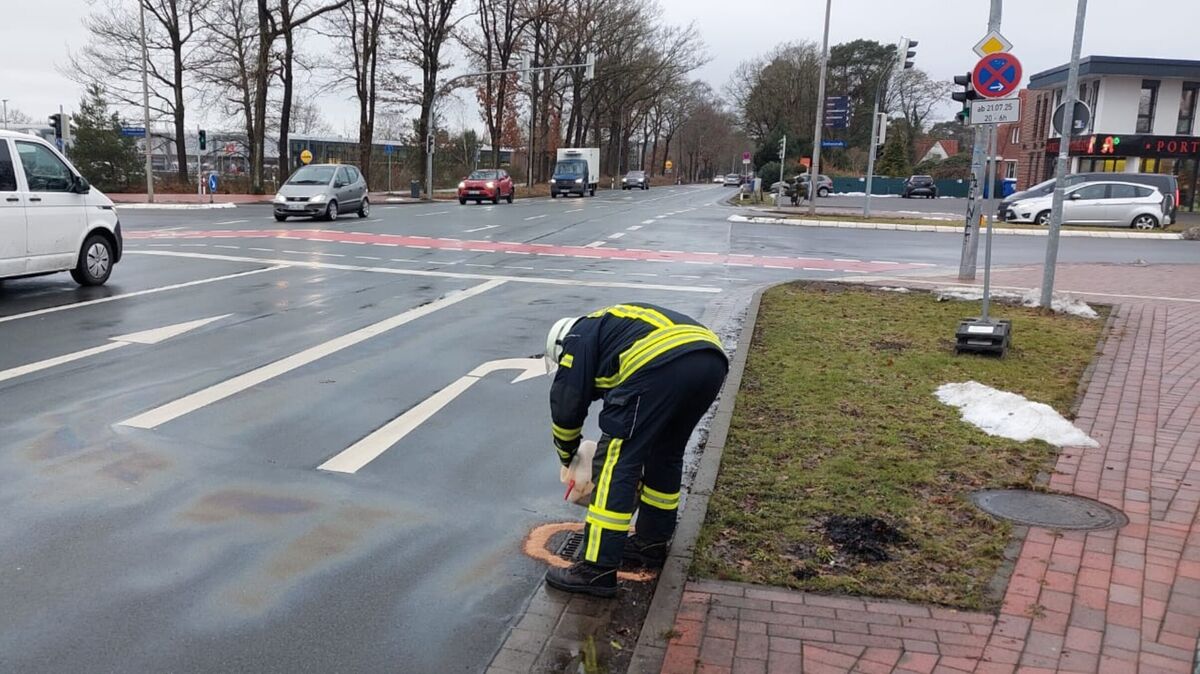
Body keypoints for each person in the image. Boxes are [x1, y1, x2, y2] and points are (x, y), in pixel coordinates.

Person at [542, 303, 728, 597]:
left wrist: (568, 455)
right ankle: (651, 543)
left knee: (616, 460)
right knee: (665, 453)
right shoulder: (608, 327)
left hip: (661, 362)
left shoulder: (577, 339)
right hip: (710, 360)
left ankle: (596, 569)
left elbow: (567, 404)